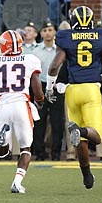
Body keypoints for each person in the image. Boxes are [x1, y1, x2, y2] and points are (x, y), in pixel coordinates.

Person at [45, 6, 102, 189]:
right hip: (91, 89)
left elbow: (54, 66)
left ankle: (86, 174)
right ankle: (82, 131)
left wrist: (50, 87)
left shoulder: (65, 37)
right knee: (96, 135)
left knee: (78, 140)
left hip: (72, 92)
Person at [0, 30, 44, 193]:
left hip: (3, 105)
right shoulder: (30, 60)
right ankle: (17, 182)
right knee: (25, 149)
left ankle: (4, 142)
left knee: (2, 153)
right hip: (22, 105)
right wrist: (40, 101)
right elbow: (37, 88)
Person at [32, 21, 65, 161]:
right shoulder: (36, 51)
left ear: (55, 32)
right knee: (39, 121)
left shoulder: (60, 50)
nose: (47, 33)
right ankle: (40, 153)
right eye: (44, 30)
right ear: (41, 33)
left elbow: (63, 68)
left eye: (50, 30)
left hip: (56, 87)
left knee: (57, 122)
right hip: (41, 86)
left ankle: (56, 153)